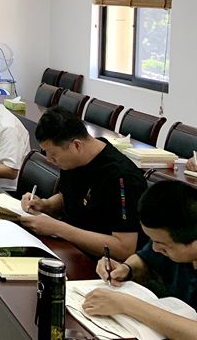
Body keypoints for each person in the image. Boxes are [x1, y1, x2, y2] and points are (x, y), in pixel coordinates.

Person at [19, 107, 146, 260]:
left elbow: (124, 248)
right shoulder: (73, 160)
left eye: (53, 154)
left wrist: (58, 228)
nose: (49, 160)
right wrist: (45, 205)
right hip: (68, 249)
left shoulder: (122, 178)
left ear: (76, 145)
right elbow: (69, 196)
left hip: (100, 264)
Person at [82, 180, 197, 340]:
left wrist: (127, 305)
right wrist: (127, 269)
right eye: (152, 240)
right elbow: (145, 259)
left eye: (162, 245)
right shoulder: (170, 237)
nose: (155, 248)